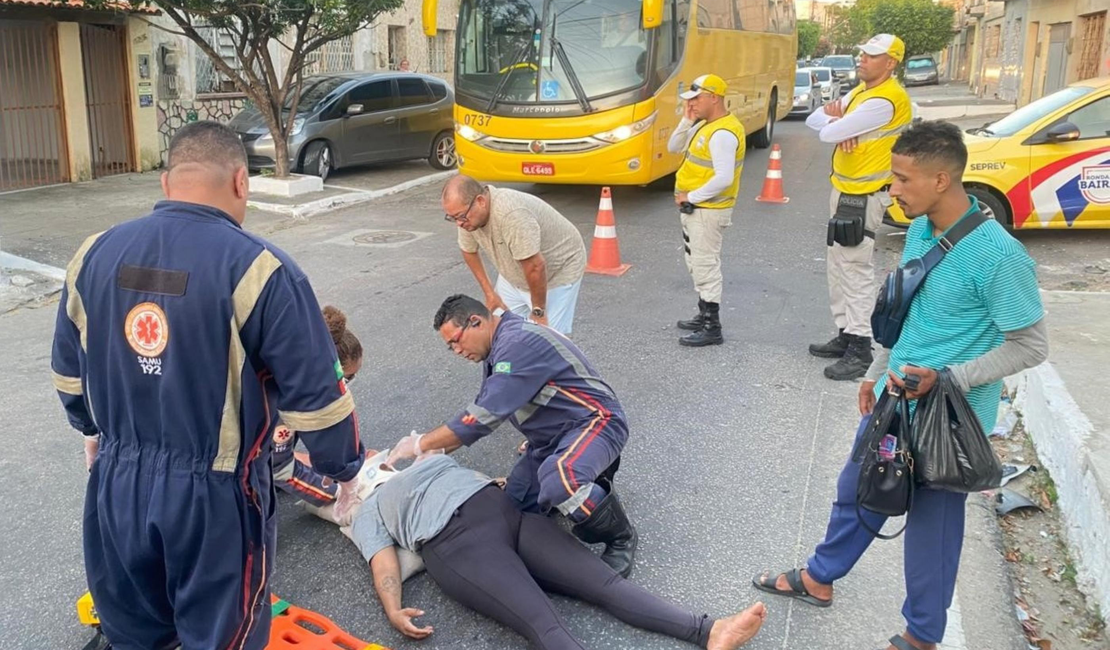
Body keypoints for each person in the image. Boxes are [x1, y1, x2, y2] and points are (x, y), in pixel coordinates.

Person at [51, 121, 366, 650]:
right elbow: (319, 400)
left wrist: (90, 429)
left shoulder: (94, 254)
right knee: (222, 637)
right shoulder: (263, 271)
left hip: (115, 482)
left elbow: (68, 373)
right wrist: (346, 468)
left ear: (166, 181)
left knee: (135, 632)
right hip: (213, 497)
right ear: (241, 182)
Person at [753, 121, 1048, 650]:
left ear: (941, 179)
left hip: (948, 419)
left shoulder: (1001, 257)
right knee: (858, 491)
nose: (892, 189)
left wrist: (949, 378)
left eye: (901, 179)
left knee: (932, 533)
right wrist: (874, 370)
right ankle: (820, 578)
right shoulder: (919, 230)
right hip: (895, 399)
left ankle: (921, 636)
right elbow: (908, 314)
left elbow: (1030, 346)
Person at [351, 452, 768, 650]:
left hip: (506, 510)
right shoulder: (369, 508)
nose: (375, 463)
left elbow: (494, 480)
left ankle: (709, 630)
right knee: (543, 623)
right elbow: (383, 562)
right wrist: (393, 607)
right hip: (455, 544)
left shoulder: (428, 462)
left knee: (603, 582)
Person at [387, 294, 638, 577]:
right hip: (550, 440)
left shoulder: (517, 345)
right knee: (513, 507)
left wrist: (420, 444)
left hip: (595, 423)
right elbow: (482, 406)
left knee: (561, 480)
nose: (456, 350)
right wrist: (439, 449)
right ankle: (578, 482)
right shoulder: (498, 348)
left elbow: (481, 417)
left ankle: (620, 536)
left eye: (455, 340)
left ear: (475, 321)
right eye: (449, 347)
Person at [805, 34, 913, 380]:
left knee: (855, 269)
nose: (862, 59)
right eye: (863, 53)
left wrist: (835, 125)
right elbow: (813, 120)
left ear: (891, 62)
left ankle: (860, 348)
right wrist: (838, 123)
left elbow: (823, 132)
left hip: (864, 195)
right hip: (847, 190)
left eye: (872, 55)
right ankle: (846, 333)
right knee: (838, 266)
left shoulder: (885, 99)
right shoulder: (861, 94)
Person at [442, 175, 586, 335]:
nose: (459, 224)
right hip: (515, 271)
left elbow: (535, 266)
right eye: (452, 218)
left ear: (481, 201)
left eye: (460, 217)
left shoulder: (511, 214)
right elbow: (468, 250)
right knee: (496, 331)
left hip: (557, 271)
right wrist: (490, 294)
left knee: (545, 340)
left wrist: (539, 312)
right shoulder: (467, 217)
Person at [668, 73, 745, 347]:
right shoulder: (706, 125)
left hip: (707, 210)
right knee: (696, 263)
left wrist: (693, 196)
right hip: (697, 209)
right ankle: (704, 314)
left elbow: (724, 178)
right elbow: (673, 146)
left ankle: (712, 326)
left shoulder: (722, 133)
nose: (692, 103)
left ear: (714, 97)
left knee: (705, 265)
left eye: (696, 98)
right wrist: (687, 119)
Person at [270, 305, 363, 522]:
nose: (346, 386)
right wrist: (335, 492)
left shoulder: (297, 373)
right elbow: (279, 467)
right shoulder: (286, 398)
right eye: (346, 378)